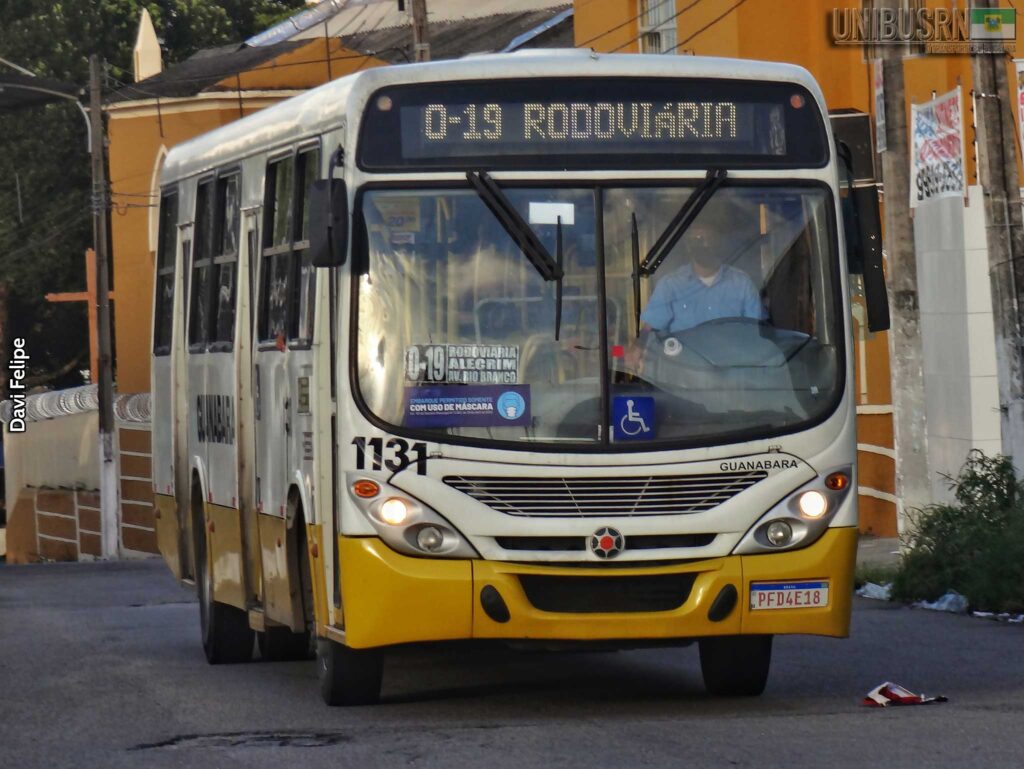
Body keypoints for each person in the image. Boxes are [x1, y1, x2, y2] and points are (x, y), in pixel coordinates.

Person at [639, 216, 765, 334]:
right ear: (688, 246)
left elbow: (755, 330)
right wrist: (633, 349)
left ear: (718, 243)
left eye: (709, 240)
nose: (705, 245)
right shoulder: (670, 285)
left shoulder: (742, 283)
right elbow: (650, 328)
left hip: (733, 357)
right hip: (683, 357)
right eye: (697, 241)